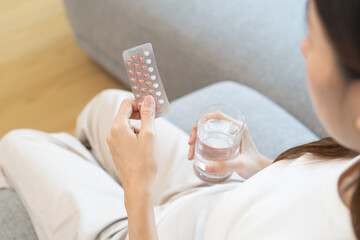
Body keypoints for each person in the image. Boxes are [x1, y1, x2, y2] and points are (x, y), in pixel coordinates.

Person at [0, 0, 359, 239]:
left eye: (313, 36)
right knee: (110, 104)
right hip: (217, 198)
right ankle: (85, 161)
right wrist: (258, 165)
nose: (303, 47)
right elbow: (306, 195)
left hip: (146, 228)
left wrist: (137, 188)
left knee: (16, 143)